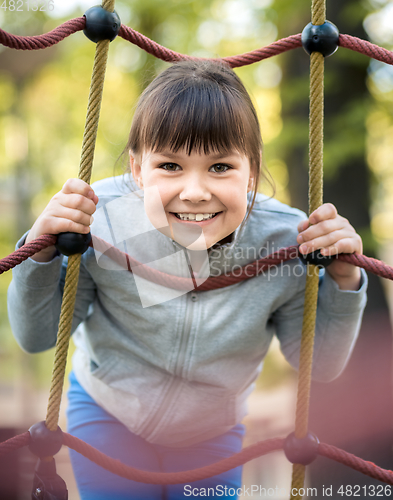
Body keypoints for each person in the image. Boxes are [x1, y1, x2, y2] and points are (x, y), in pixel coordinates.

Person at [8, 60, 367, 500]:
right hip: (108, 412)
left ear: (251, 169)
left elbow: (321, 365)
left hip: (211, 434)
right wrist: (40, 249)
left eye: (220, 167)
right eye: (170, 166)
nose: (195, 191)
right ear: (138, 170)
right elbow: (36, 336)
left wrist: (345, 279)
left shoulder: (285, 240)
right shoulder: (102, 220)